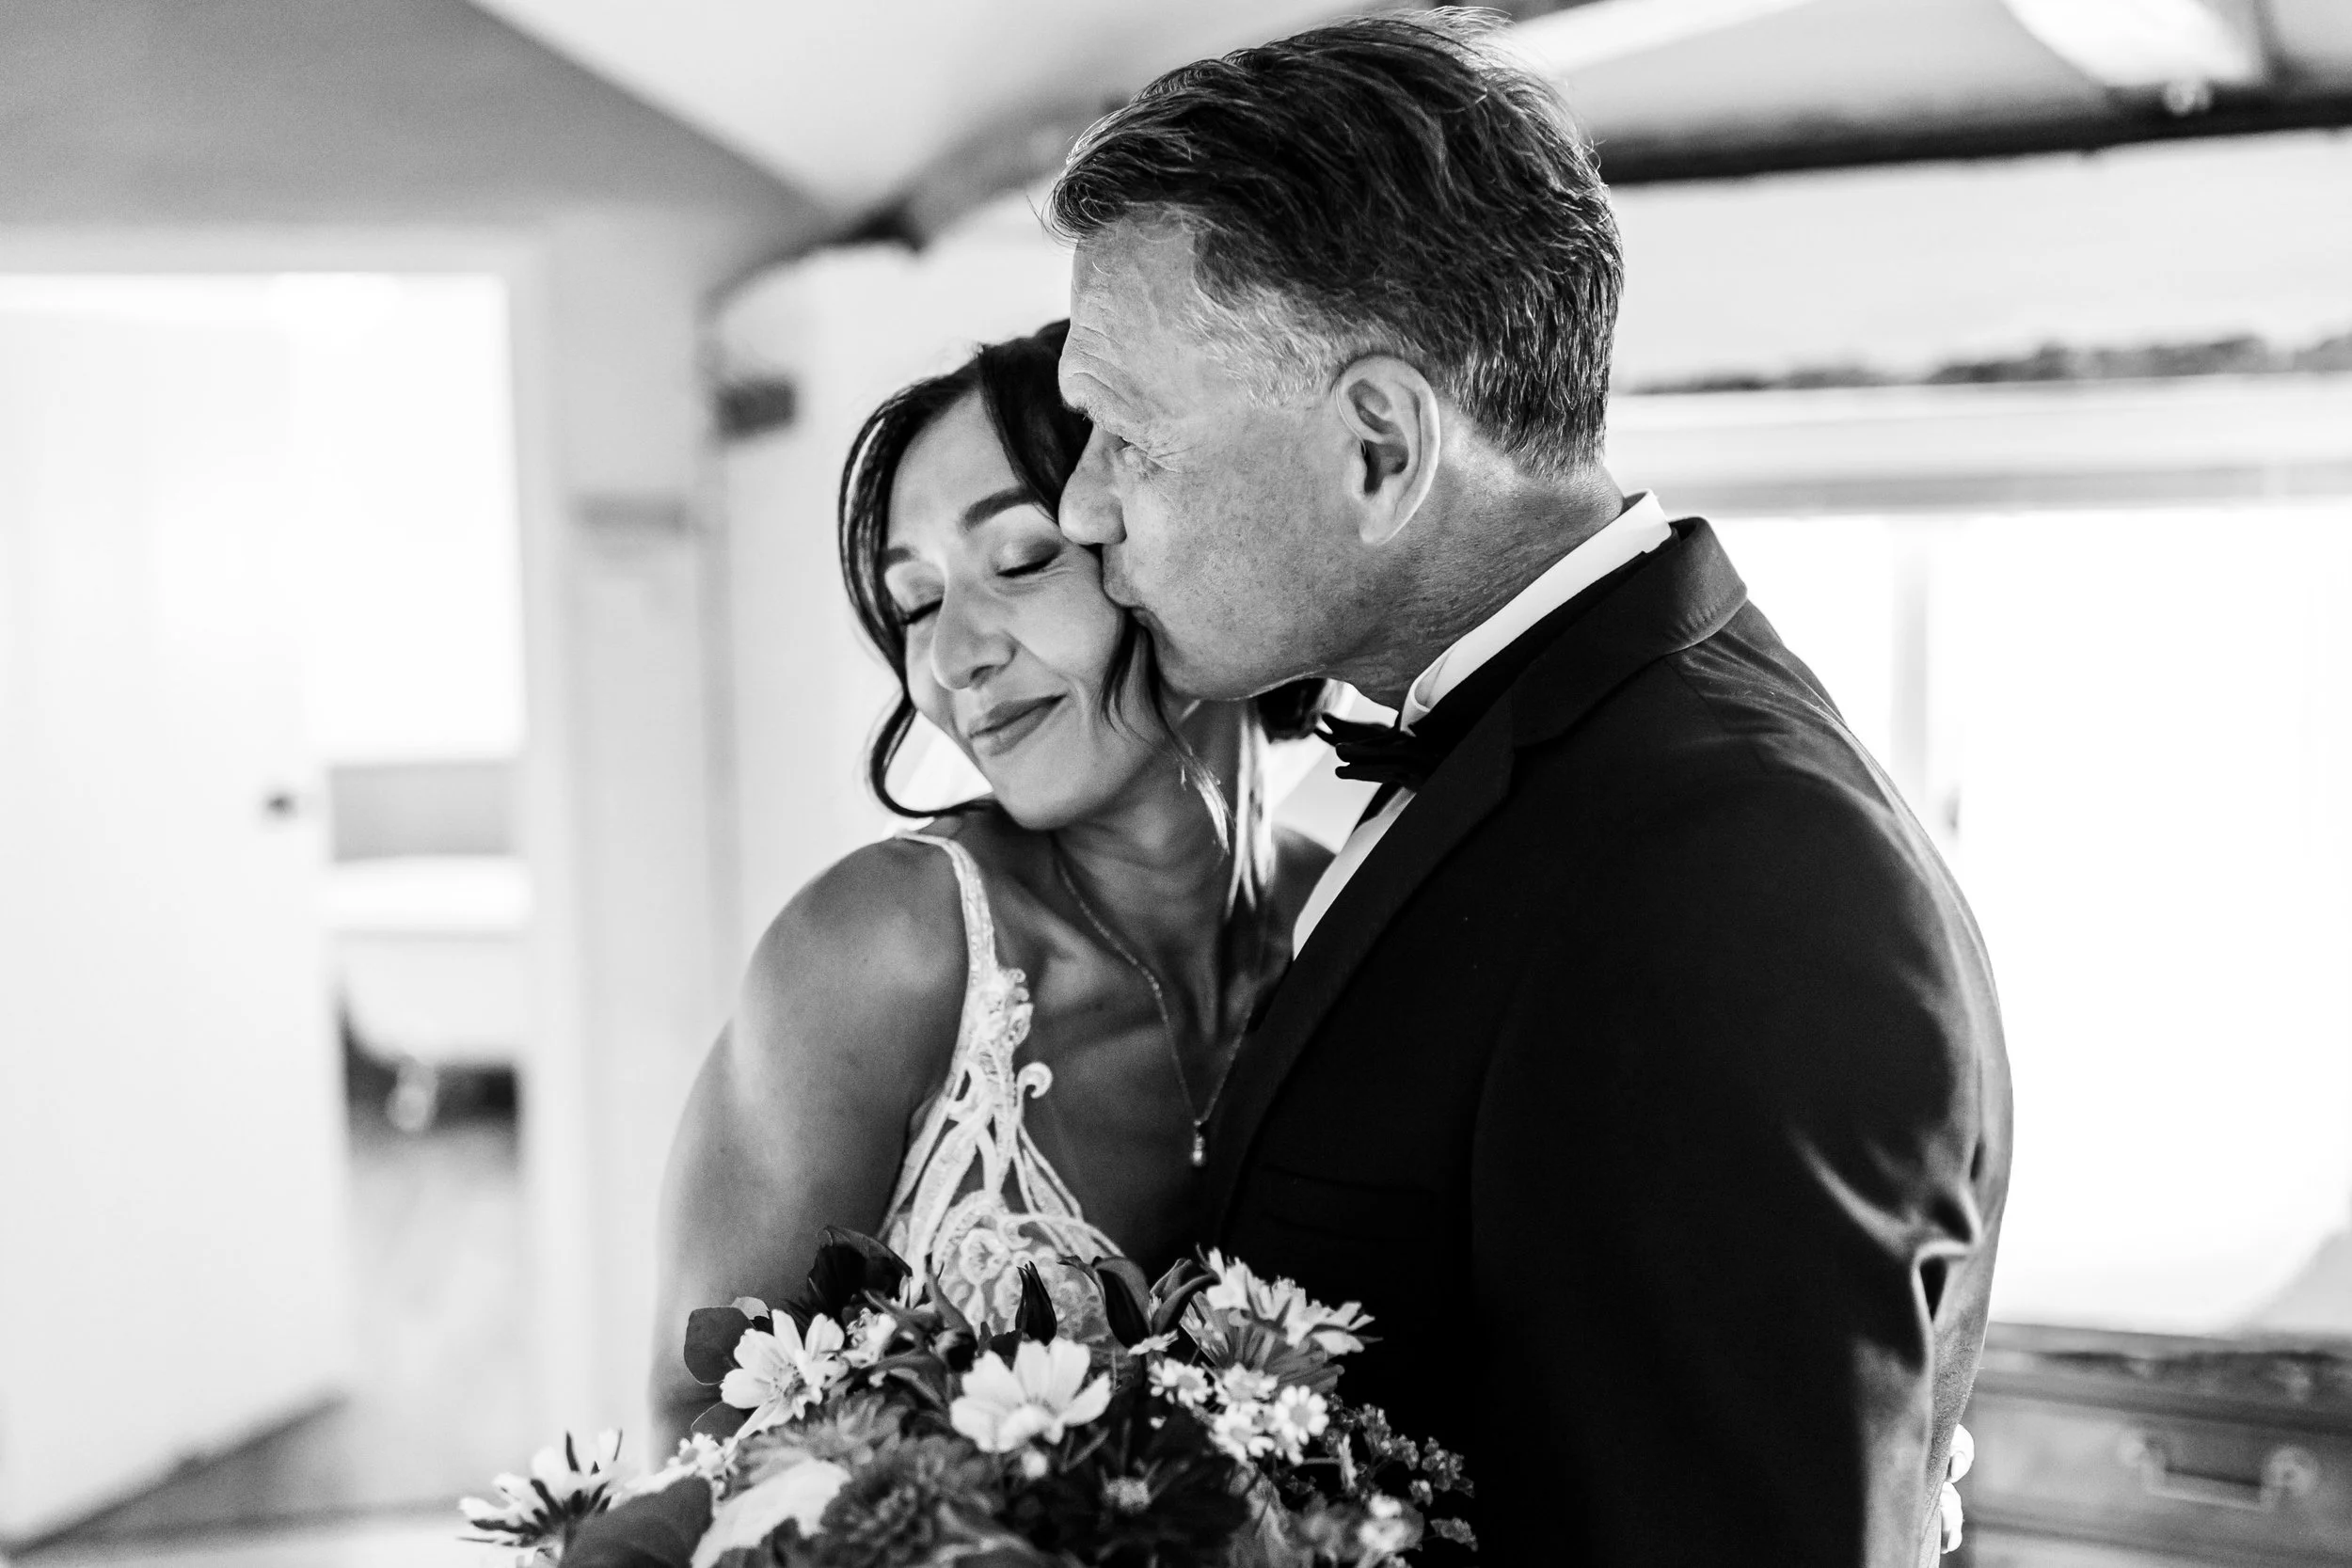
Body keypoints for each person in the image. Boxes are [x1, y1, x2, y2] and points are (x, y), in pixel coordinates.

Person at [1049, 13, 2012, 1564]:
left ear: (1380, 444)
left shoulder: (1726, 876)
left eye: (1125, 436)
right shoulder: (1554, 769)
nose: (1086, 507)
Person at [648, 324, 1331, 1446]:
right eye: (915, 602)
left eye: (1019, 561)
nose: (952, 655)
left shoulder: (1364, 920)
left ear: (1181, 539)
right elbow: (697, 1415)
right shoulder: (882, 949)